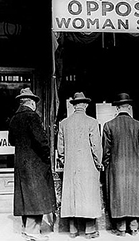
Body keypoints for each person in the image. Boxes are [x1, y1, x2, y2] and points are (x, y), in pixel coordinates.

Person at [8, 88, 56, 241]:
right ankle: (33, 233)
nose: (35, 105)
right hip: (35, 165)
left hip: (21, 164)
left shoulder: (14, 118)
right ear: (31, 102)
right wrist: (47, 156)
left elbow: (11, 140)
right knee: (36, 198)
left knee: (25, 197)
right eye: (35, 102)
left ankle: (26, 229)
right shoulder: (33, 117)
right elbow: (41, 141)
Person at [102, 93, 139, 237]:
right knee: (134, 196)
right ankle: (134, 228)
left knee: (119, 196)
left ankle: (121, 228)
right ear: (129, 107)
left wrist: (108, 166)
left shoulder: (108, 125)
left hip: (116, 169)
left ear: (117, 108)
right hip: (135, 168)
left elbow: (106, 151)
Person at [57, 92, 103, 239]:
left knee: (72, 196)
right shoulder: (92, 122)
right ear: (85, 105)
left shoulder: (64, 123)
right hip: (88, 165)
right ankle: (90, 231)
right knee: (88, 196)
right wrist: (98, 163)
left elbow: (60, 148)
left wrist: (65, 160)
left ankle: (72, 230)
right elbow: (96, 147)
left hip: (71, 166)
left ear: (74, 106)